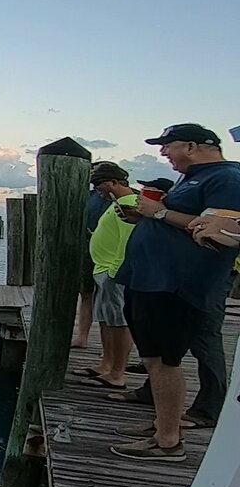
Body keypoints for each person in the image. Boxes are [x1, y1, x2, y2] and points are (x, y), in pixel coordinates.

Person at [108, 123, 240, 462]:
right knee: (153, 359)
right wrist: (144, 217)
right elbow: (184, 222)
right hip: (150, 281)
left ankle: (169, 441)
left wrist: (161, 212)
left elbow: (220, 233)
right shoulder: (193, 177)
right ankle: (162, 425)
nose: (163, 152)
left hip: (174, 285)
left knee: (166, 360)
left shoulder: (225, 178)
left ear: (193, 146)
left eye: (168, 145)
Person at [73, 163, 137, 388]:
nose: (97, 189)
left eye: (99, 185)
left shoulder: (129, 204)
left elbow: (126, 243)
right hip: (103, 270)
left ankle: (118, 372)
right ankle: (106, 364)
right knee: (107, 321)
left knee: (119, 323)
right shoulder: (115, 203)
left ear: (114, 182)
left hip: (113, 272)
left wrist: (114, 272)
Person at [72, 164, 116, 348]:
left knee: (112, 299)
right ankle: (82, 337)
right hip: (88, 249)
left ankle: (113, 347)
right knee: (86, 293)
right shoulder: (87, 196)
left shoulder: (125, 197)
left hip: (113, 254)